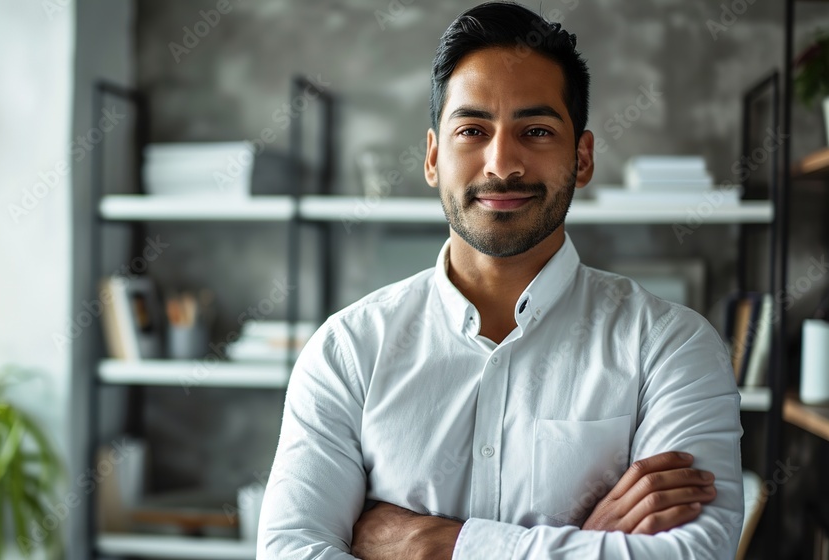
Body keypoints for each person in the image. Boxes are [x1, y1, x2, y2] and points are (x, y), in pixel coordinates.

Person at [257, 2, 744, 558]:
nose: (501, 163)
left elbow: (694, 554)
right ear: (434, 158)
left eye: (535, 130)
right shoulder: (347, 351)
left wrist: (432, 544)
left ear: (582, 158)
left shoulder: (672, 348)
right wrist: (588, 545)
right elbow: (289, 551)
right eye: (472, 130)